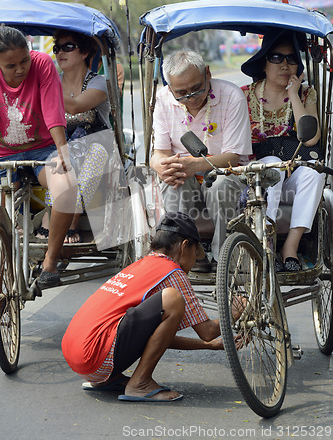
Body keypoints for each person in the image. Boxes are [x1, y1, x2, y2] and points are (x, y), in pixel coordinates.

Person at [61, 211, 236, 402]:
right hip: (96, 357)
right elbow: (208, 331)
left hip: (81, 359)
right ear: (185, 247)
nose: (195, 261)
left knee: (165, 304)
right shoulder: (173, 272)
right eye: (196, 253)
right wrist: (235, 312)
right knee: (173, 299)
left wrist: (210, 346)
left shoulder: (142, 264)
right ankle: (140, 383)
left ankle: (105, 380)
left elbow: (156, 338)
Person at [150, 50, 252, 273]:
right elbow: (160, 152)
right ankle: (190, 252)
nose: (191, 97)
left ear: (208, 73)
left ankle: (223, 254)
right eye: (182, 93)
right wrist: (159, 165)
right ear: (169, 87)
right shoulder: (162, 99)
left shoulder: (232, 96)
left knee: (220, 184)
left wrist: (192, 165)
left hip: (226, 175)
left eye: (196, 88)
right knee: (171, 180)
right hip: (185, 179)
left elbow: (233, 157)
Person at [241, 30, 325, 272]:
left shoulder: (306, 93)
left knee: (314, 173)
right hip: (254, 177)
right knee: (270, 165)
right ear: (264, 62)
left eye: (291, 59)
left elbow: (311, 139)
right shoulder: (244, 95)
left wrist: (293, 94)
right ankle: (265, 241)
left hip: (294, 174)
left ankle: (290, 246)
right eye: (277, 58)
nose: (285, 65)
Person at [0, 25, 77, 288]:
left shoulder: (42, 64)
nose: (21, 69)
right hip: (3, 153)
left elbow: (53, 110)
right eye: (11, 66)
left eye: (24, 60)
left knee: (66, 187)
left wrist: (63, 151)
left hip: (43, 147)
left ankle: (50, 262)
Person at [36, 30, 112, 244]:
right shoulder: (53, 81)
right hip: (62, 145)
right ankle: (49, 215)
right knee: (59, 157)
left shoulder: (98, 82)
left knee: (90, 152)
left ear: (85, 52)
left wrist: (43, 88)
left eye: (68, 47)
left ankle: (72, 219)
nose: (60, 52)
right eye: (57, 47)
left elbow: (77, 106)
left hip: (96, 143)